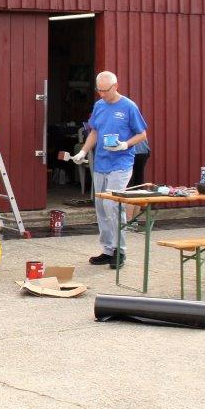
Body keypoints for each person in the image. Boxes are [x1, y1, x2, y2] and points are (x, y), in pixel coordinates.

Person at [70, 71, 148, 269]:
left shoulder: (129, 107)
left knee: (113, 206)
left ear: (115, 86)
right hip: (101, 163)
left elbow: (142, 134)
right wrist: (83, 151)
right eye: (99, 91)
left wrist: (125, 145)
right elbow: (94, 131)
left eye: (105, 90)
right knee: (101, 207)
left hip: (121, 163)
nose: (102, 94)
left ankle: (120, 251)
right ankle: (107, 249)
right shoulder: (99, 106)